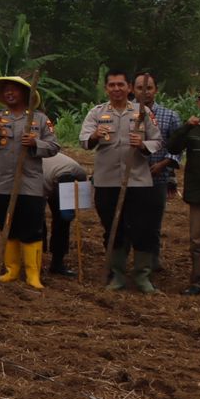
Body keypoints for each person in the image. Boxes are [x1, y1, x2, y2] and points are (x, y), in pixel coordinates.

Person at [80, 69, 162, 292]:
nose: (116, 89)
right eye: (112, 85)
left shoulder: (142, 112)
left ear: (128, 87)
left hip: (138, 182)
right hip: (107, 182)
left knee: (143, 228)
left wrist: (143, 145)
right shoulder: (96, 113)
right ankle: (117, 274)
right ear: (106, 88)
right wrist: (94, 135)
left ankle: (142, 275)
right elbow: (83, 140)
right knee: (112, 228)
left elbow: (157, 140)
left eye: (120, 85)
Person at [0, 75, 60, 290]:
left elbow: (54, 146)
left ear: (25, 94)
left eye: (14, 90)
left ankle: (33, 273)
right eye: (6, 90)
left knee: (32, 227)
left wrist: (36, 143)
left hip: (30, 183)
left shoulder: (40, 119)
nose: (9, 93)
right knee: (7, 224)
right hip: (1, 182)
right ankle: (12, 269)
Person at [133, 71, 181, 269]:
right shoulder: (126, 113)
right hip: (132, 178)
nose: (145, 92)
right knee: (132, 220)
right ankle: (134, 260)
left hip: (158, 178)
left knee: (153, 222)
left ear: (156, 90)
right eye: (140, 88)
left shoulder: (170, 116)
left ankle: (152, 260)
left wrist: (163, 164)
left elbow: (178, 147)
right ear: (132, 90)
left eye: (149, 88)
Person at [167, 89, 200, 295]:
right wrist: (185, 127)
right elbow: (172, 148)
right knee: (198, 240)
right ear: (199, 103)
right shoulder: (193, 128)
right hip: (199, 194)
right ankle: (199, 282)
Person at [40, 149, 85, 278]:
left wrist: (70, 210)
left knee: (63, 221)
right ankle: (38, 260)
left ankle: (57, 263)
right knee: (37, 221)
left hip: (63, 175)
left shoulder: (78, 174)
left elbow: (80, 191)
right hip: (39, 180)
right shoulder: (42, 175)